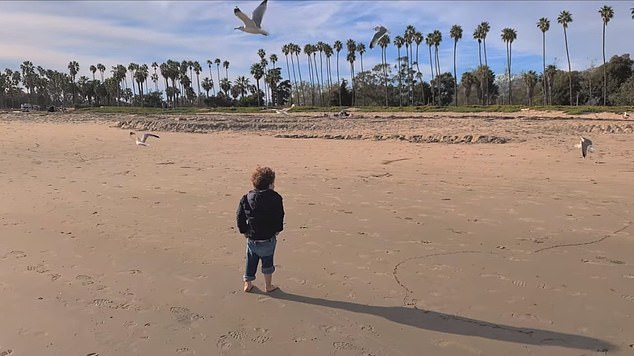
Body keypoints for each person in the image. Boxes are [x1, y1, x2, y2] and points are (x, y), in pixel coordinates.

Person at [236, 166, 285, 293]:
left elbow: (240, 216)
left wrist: (244, 230)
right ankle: (268, 285)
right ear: (269, 185)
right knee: (268, 260)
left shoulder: (246, 198)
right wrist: (277, 229)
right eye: (273, 184)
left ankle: (248, 283)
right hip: (268, 237)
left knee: (251, 259)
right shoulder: (275, 198)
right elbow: (279, 215)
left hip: (252, 237)